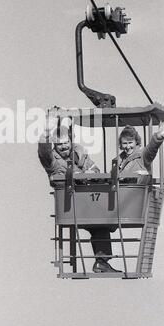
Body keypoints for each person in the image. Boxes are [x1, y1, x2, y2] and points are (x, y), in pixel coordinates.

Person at [38, 113, 120, 273]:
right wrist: (47, 132)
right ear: (54, 145)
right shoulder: (53, 162)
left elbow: (95, 170)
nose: (63, 147)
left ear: (71, 141)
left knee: (101, 225)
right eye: (59, 144)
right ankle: (104, 249)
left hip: (85, 202)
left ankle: (101, 262)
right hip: (71, 203)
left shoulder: (79, 156)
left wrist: (90, 173)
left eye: (66, 143)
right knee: (102, 220)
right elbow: (43, 152)